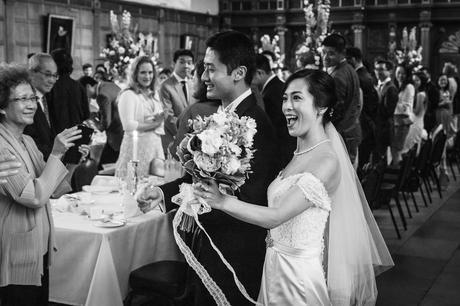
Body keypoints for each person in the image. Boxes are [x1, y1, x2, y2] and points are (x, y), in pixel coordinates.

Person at [192, 69, 393, 305]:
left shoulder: (326, 161)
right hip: (275, 269)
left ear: (321, 107)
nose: (287, 106)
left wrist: (223, 202)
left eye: (297, 98)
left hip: (298, 280)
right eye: (285, 98)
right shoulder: (297, 153)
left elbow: (277, 216)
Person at [137, 30, 280, 306]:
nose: (203, 77)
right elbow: (200, 180)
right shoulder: (219, 116)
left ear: (238, 73)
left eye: (211, 69)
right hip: (209, 244)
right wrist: (163, 193)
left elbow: (253, 197)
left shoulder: (256, 123)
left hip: (235, 250)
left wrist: (212, 201)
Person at [0, 63, 86, 306]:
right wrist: (57, 153)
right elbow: (34, 196)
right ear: (3, 107)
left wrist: (72, 162)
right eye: (22, 99)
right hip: (16, 252)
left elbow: (54, 189)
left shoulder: (26, 140)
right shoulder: (2, 146)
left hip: (37, 248)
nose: (31, 105)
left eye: (32, 98)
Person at [115, 55, 165, 177]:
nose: (147, 76)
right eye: (143, 72)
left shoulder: (155, 94)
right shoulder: (128, 95)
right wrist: (155, 123)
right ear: (135, 74)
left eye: (150, 72)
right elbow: (128, 125)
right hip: (135, 150)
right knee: (132, 187)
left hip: (154, 148)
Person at [322, 33, 362, 164]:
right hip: (352, 129)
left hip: (342, 133)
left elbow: (336, 109)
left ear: (341, 54)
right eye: (324, 52)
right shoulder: (350, 68)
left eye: (331, 53)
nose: (325, 57)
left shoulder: (338, 76)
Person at [169, 60, 220, 160]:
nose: (192, 82)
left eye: (193, 78)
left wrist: (171, 147)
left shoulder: (194, 110)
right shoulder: (227, 107)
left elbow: (178, 151)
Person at [253, 54, 296, 167]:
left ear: (259, 73)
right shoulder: (277, 86)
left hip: (282, 152)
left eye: (250, 76)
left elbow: (274, 128)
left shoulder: (272, 93)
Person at [346, 47, 379, 170]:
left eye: (347, 60)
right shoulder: (366, 75)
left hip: (361, 124)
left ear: (353, 59)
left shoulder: (358, 77)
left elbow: (358, 106)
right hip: (368, 123)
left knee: (357, 165)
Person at [80, 76, 122, 167]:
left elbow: (105, 125)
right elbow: (112, 108)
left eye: (83, 93)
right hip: (123, 133)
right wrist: (98, 114)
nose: (85, 96)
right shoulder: (109, 85)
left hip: (117, 137)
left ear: (88, 86)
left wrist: (91, 119)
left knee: (103, 168)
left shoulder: (101, 96)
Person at [159, 49, 196, 153]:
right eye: (182, 62)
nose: (186, 66)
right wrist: (185, 134)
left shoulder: (193, 84)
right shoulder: (165, 86)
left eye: (189, 63)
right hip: (172, 139)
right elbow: (168, 116)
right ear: (173, 63)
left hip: (190, 142)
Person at [24, 53, 58, 160]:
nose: (52, 80)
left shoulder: (45, 98)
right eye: (47, 75)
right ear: (31, 73)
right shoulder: (24, 100)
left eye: (55, 75)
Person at [47, 49, 90, 134]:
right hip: (76, 135)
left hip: (57, 137)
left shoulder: (50, 87)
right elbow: (86, 114)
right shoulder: (79, 86)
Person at [374, 59, 399, 163]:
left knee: (382, 157)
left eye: (381, 69)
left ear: (389, 71)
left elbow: (388, 111)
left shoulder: (391, 88)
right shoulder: (378, 85)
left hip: (384, 128)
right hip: (378, 127)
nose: (378, 72)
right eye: (376, 69)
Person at [392, 63, 415, 165]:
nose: (400, 75)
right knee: (394, 150)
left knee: (397, 149)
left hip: (402, 120)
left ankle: (399, 177)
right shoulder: (397, 86)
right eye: (398, 73)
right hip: (395, 120)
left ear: (407, 75)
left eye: (403, 73)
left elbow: (406, 108)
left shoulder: (409, 87)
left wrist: (392, 102)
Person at [404, 71, 428, 153]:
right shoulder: (423, 93)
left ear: (422, 81)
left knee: (408, 145)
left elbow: (417, 111)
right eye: (413, 80)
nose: (415, 82)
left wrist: (406, 107)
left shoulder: (420, 95)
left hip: (415, 123)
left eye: (417, 80)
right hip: (420, 121)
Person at [420, 67, 440, 134]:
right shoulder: (421, 86)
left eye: (424, 74)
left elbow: (435, 103)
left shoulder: (433, 87)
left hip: (429, 117)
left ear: (429, 75)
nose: (422, 76)